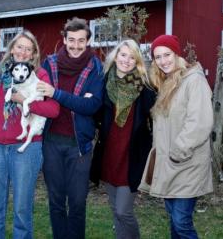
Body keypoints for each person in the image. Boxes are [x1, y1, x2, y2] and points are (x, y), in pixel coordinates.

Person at [0, 30, 60, 239]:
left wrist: (21, 100)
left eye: (28, 49)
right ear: (11, 49)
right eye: (19, 47)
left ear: (34, 53)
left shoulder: (39, 75)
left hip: (26, 150)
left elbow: (53, 110)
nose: (23, 52)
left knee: (21, 209)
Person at [140, 35, 214, 239]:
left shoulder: (194, 80)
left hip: (187, 162)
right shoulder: (166, 83)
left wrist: (178, 151)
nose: (163, 61)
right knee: (174, 219)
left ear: (176, 54)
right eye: (158, 57)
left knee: (181, 222)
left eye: (167, 54)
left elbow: (200, 122)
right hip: (168, 164)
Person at [38, 17, 104, 239]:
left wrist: (56, 93)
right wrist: (76, 100)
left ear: (88, 42)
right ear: (64, 39)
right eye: (72, 40)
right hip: (52, 143)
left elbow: (92, 105)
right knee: (56, 201)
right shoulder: (50, 64)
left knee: (77, 202)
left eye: (81, 41)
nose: (76, 46)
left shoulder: (95, 67)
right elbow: (41, 98)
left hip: (80, 146)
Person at [90, 39, 156, 239]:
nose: (126, 60)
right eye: (123, 55)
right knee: (115, 211)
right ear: (115, 56)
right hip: (110, 155)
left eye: (132, 57)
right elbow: (95, 113)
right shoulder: (103, 83)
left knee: (123, 211)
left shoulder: (145, 88)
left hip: (132, 157)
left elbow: (157, 117)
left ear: (137, 61)